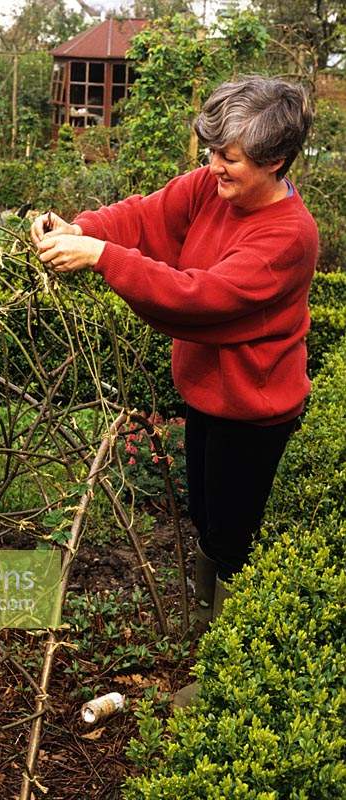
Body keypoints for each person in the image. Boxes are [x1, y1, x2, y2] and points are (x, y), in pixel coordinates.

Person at [30, 75, 318, 703]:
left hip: (255, 409)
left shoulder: (287, 237)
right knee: (205, 515)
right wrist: (78, 226)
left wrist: (102, 257)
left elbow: (199, 299)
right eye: (210, 150)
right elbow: (146, 214)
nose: (212, 166)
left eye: (229, 158)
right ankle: (206, 617)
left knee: (232, 534)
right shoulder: (210, 190)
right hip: (207, 394)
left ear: (274, 160)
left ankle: (220, 669)